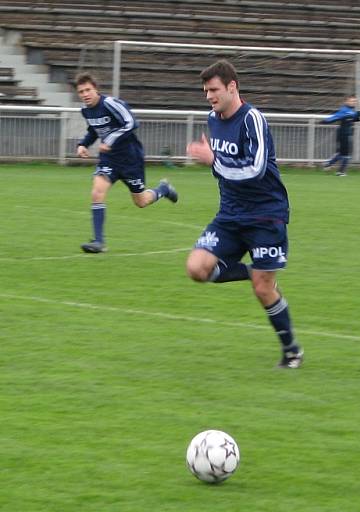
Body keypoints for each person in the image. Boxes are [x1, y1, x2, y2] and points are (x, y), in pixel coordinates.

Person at [185, 60, 303, 368]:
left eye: (213, 90)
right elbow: (224, 169)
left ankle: (292, 351)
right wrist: (213, 160)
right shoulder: (212, 119)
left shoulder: (252, 119)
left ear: (232, 86)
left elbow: (255, 168)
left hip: (266, 216)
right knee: (196, 268)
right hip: (230, 215)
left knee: (264, 290)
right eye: (205, 91)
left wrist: (212, 159)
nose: (208, 96)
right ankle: (252, 270)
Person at [74, 72, 178, 253]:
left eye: (88, 90)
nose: (85, 94)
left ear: (96, 89)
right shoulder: (87, 111)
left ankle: (163, 189)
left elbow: (131, 123)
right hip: (109, 160)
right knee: (97, 192)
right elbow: (93, 130)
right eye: (81, 91)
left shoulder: (110, 103)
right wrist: (83, 144)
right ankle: (98, 242)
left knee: (141, 201)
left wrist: (110, 140)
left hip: (131, 160)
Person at [322, 94, 360, 176]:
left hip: (347, 134)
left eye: (354, 101)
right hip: (344, 134)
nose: (353, 102)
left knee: (342, 153)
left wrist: (358, 116)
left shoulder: (351, 110)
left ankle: (328, 163)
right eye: (351, 101)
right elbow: (336, 117)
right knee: (346, 154)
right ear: (346, 101)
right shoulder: (345, 110)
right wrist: (325, 120)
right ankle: (340, 172)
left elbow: (352, 119)